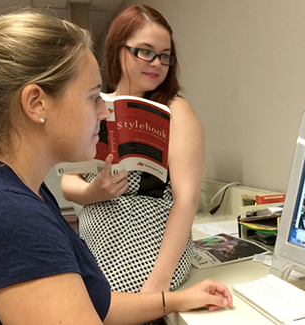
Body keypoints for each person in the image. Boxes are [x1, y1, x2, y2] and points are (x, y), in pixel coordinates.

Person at [0, 10, 232, 324]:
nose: (104, 113)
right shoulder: (1, 211)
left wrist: (175, 300)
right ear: (36, 103)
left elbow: (98, 305)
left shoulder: (18, 190)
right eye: (93, 97)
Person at [61, 5, 204, 297]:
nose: (156, 63)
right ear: (118, 49)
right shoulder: (96, 105)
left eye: (165, 55)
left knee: (111, 297)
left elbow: (187, 199)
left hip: (150, 238)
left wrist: (157, 285)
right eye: (145, 51)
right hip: (96, 234)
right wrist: (93, 193)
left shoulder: (176, 110)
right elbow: (67, 181)